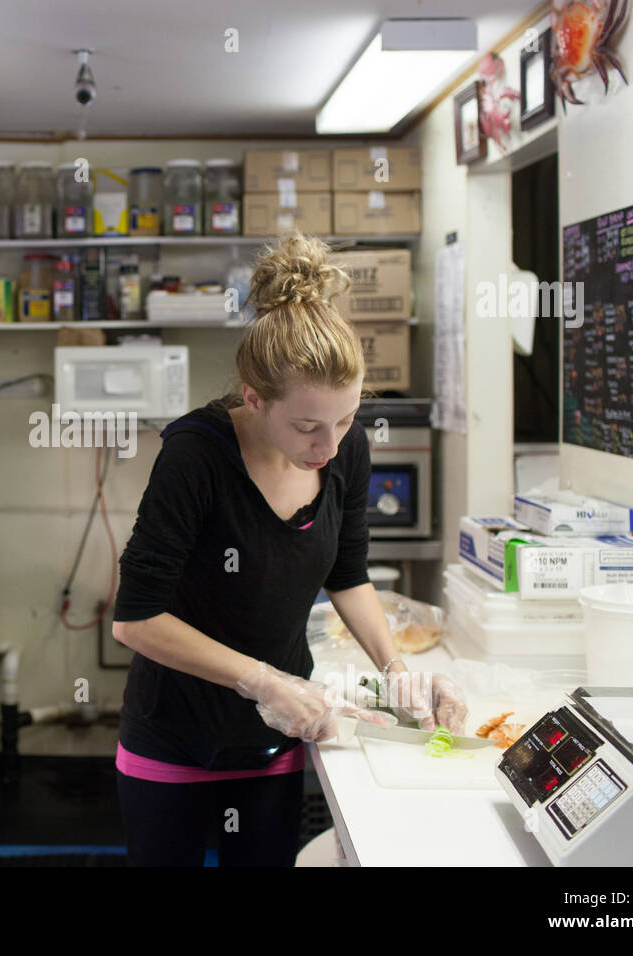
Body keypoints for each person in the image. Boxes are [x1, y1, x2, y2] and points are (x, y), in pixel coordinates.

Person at [111, 233, 467, 867]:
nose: (328, 444)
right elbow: (136, 618)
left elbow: (348, 573)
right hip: (175, 738)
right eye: (307, 427)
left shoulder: (342, 449)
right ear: (253, 399)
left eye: (345, 419)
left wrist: (397, 672)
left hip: (278, 735)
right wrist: (260, 679)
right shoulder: (196, 457)